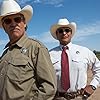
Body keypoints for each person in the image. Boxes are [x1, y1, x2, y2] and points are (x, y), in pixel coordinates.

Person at [0, 0, 57, 100]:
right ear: (4, 27)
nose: (13, 24)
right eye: (8, 21)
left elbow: (49, 88)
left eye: (17, 19)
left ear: (24, 23)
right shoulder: (5, 53)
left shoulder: (36, 48)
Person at [49, 18, 100, 100]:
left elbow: (98, 68)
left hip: (80, 97)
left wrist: (93, 85)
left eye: (67, 30)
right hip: (57, 97)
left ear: (71, 33)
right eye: (60, 31)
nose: (64, 33)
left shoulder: (84, 51)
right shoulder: (49, 54)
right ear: (57, 34)